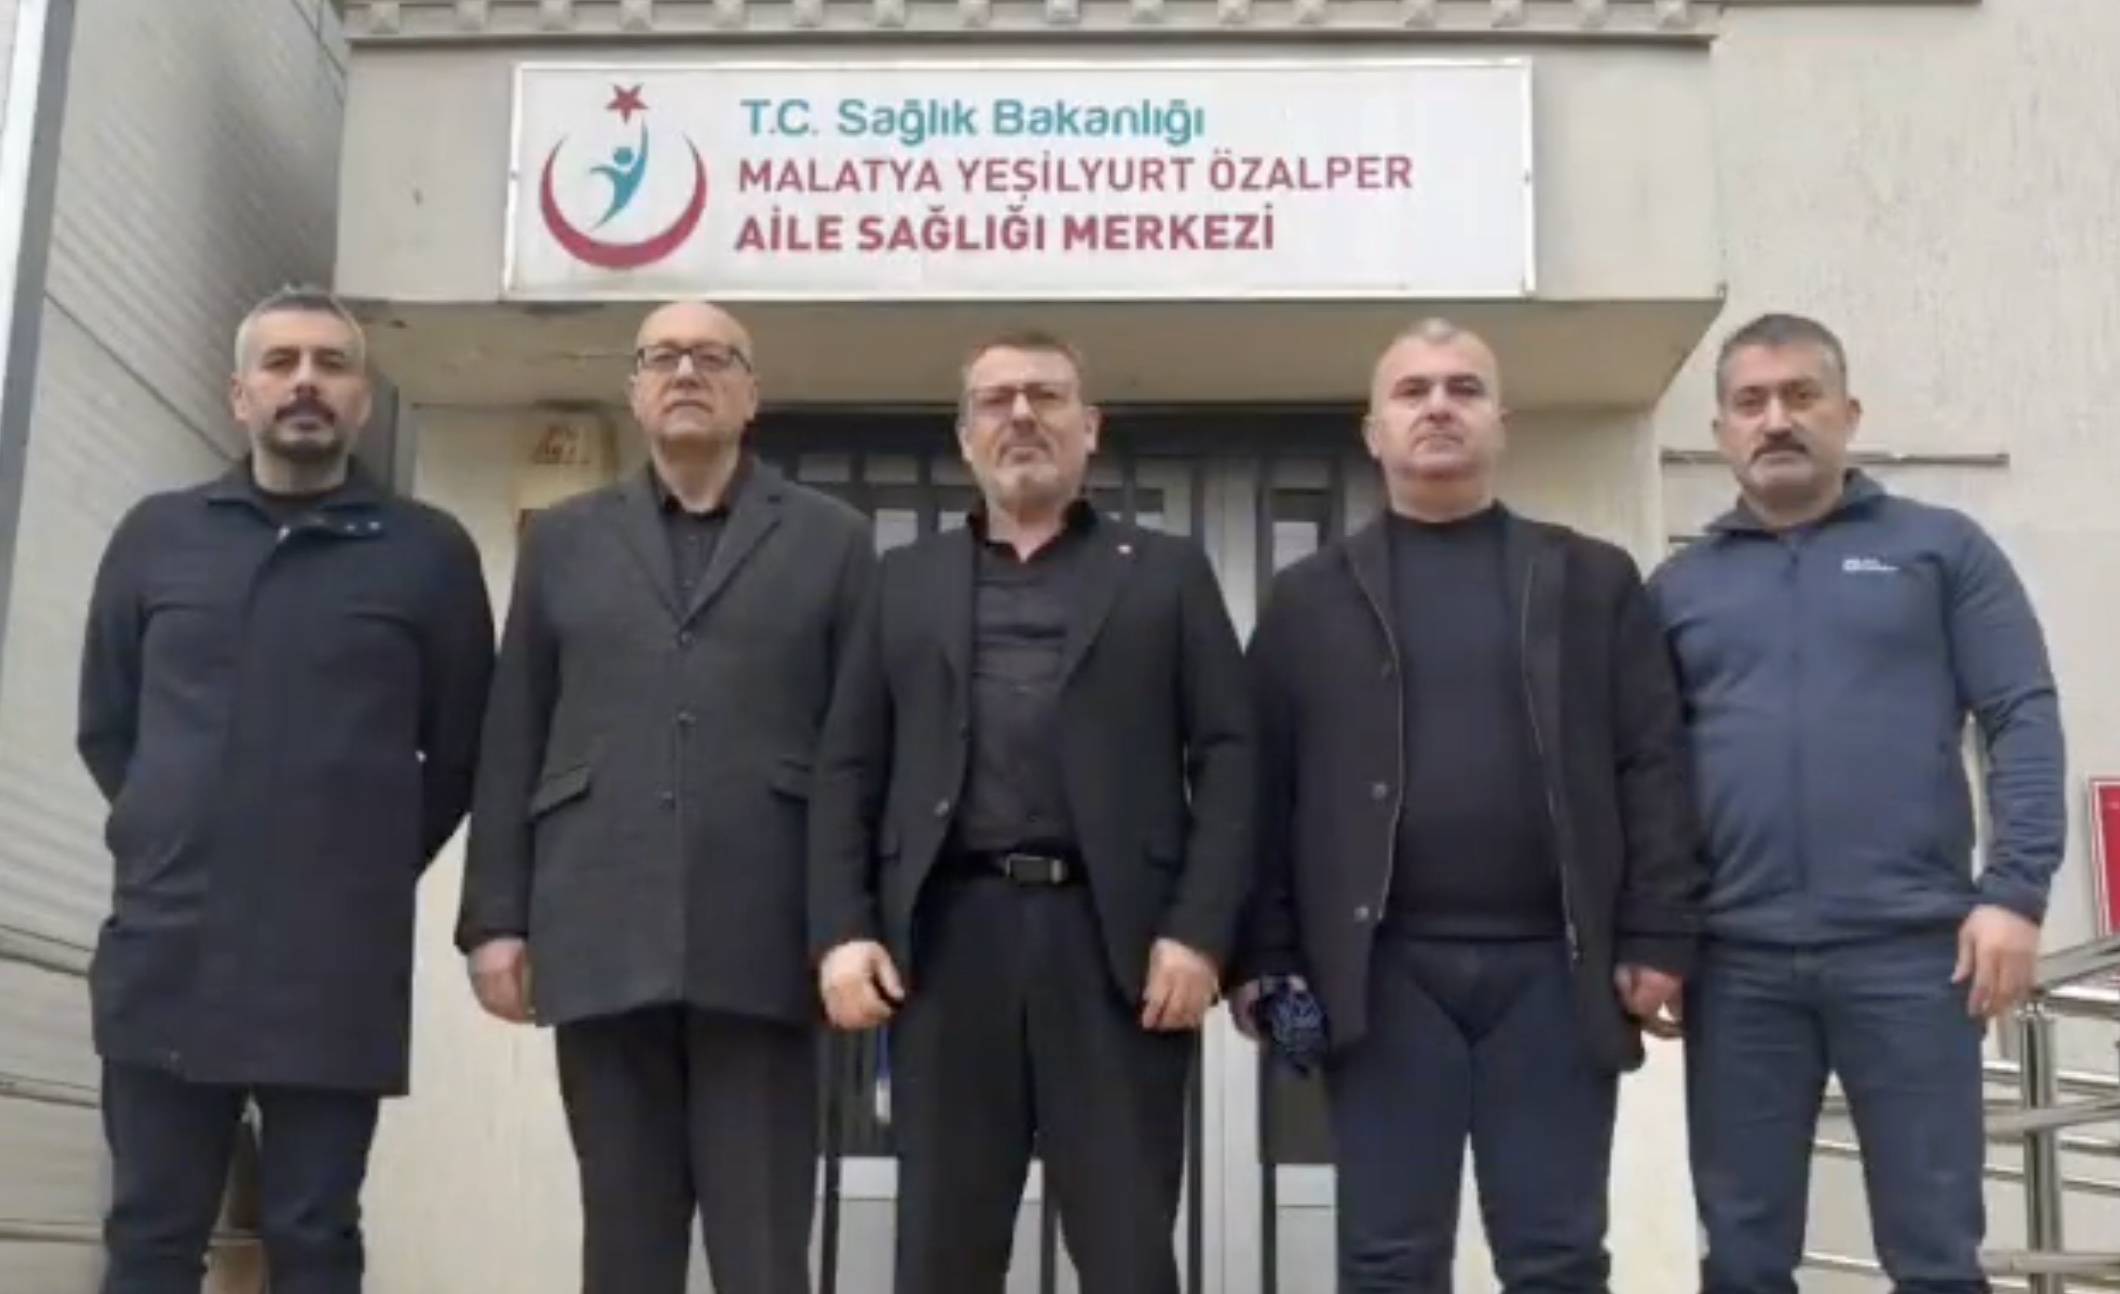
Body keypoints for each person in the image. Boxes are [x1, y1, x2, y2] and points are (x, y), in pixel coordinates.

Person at [1237, 318, 1703, 1292]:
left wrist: (1658, 931)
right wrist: (1267, 960)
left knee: (1556, 1256)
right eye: (1412, 391)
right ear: (1373, 431)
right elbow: (1261, 792)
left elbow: (1651, 761)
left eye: (1463, 388)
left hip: (1553, 973)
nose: (1438, 407)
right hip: (1381, 975)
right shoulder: (1306, 599)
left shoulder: (1590, 580)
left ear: (1501, 423)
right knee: (1388, 1258)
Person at [808, 329, 1254, 1293]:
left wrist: (1200, 933)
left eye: (1046, 397)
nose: (1021, 416)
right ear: (964, 437)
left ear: (1090, 429)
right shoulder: (901, 581)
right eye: (996, 400)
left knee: (1128, 1251)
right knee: (943, 1252)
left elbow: (1231, 758)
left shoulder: (1167, 573)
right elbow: (846, 768)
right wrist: (843, 932)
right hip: (945, 947)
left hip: (1116, 950)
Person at [77, 285, 494, 1294]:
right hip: (169, 943)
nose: (306, 382)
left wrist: (363, 863)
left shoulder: (428, 553)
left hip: (333, 960)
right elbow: (109, 726)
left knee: (314, 1234)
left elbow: (463, 753)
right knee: (151, 1232)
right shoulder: (157, 536)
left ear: (363, 401)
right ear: (240, 395)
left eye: (331, 364)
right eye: (280, 363)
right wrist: (173, 834)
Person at [457, 301, 874, 1294]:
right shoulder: (562, 540)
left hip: (768, 938)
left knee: (761, 1249)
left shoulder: (833, 539)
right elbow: (514, 734)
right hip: (600, 931)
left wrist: (847, 926)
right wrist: (495, 920)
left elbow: (858, 746)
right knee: (625, 1245)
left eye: (712, 357)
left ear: (751, 394)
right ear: (635, 390)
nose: (687, 373)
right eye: (663, 357)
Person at [1651, 312, 2065, 1294]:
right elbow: (1642, 773)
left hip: (1914, 957)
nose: (1775, 419)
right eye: (1751, 402)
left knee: (1933, 1255)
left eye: (1800, 396)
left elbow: (2019, 714)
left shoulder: (1941, 550)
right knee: (1742, 1258)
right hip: (1735, 965)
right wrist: (1651, 929)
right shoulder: (1676, 588)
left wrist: (2014, 893)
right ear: (1721, 431)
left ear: (1848, 413)